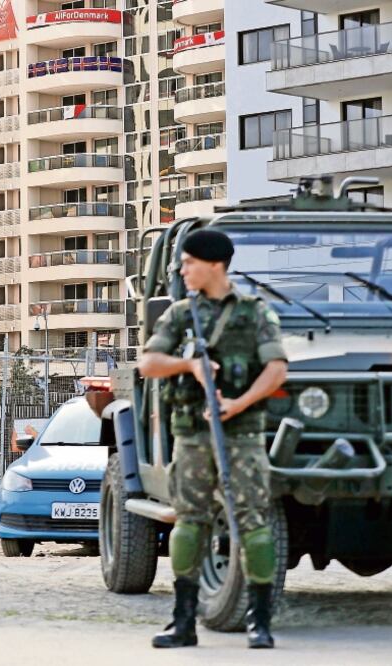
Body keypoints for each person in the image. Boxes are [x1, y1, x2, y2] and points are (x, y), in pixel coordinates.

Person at [138, 228, 288, 650]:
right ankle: (183, 621)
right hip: (192, 435)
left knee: (255, 525)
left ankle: (260, 622)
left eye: (189, 262)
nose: (183, 269)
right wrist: (189, 366)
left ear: (215, 265)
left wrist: (236, 405)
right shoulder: (181, 314)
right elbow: (148, 363)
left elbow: (276, 369)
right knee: (189, 524)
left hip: (241, 437)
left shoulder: (254, 312)